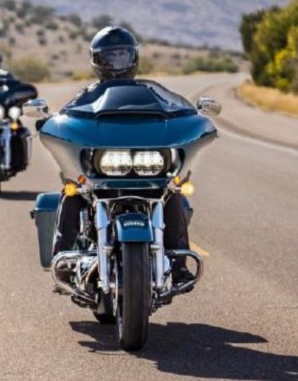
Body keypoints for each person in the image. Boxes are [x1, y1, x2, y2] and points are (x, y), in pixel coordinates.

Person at [52, 26, 194, 285]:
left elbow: (175, 109)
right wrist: (52, 122)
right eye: (110, 56)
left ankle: (178, 263)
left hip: (146, 172)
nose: (117, 62)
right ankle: (63, 256)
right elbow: (64, 116)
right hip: (101, 174)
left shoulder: (152, 94)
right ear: (98, 60)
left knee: (173, 191)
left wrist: (192, 116)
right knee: (72, 190)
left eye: (122, 55)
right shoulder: (87, 96)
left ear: (133, 57)